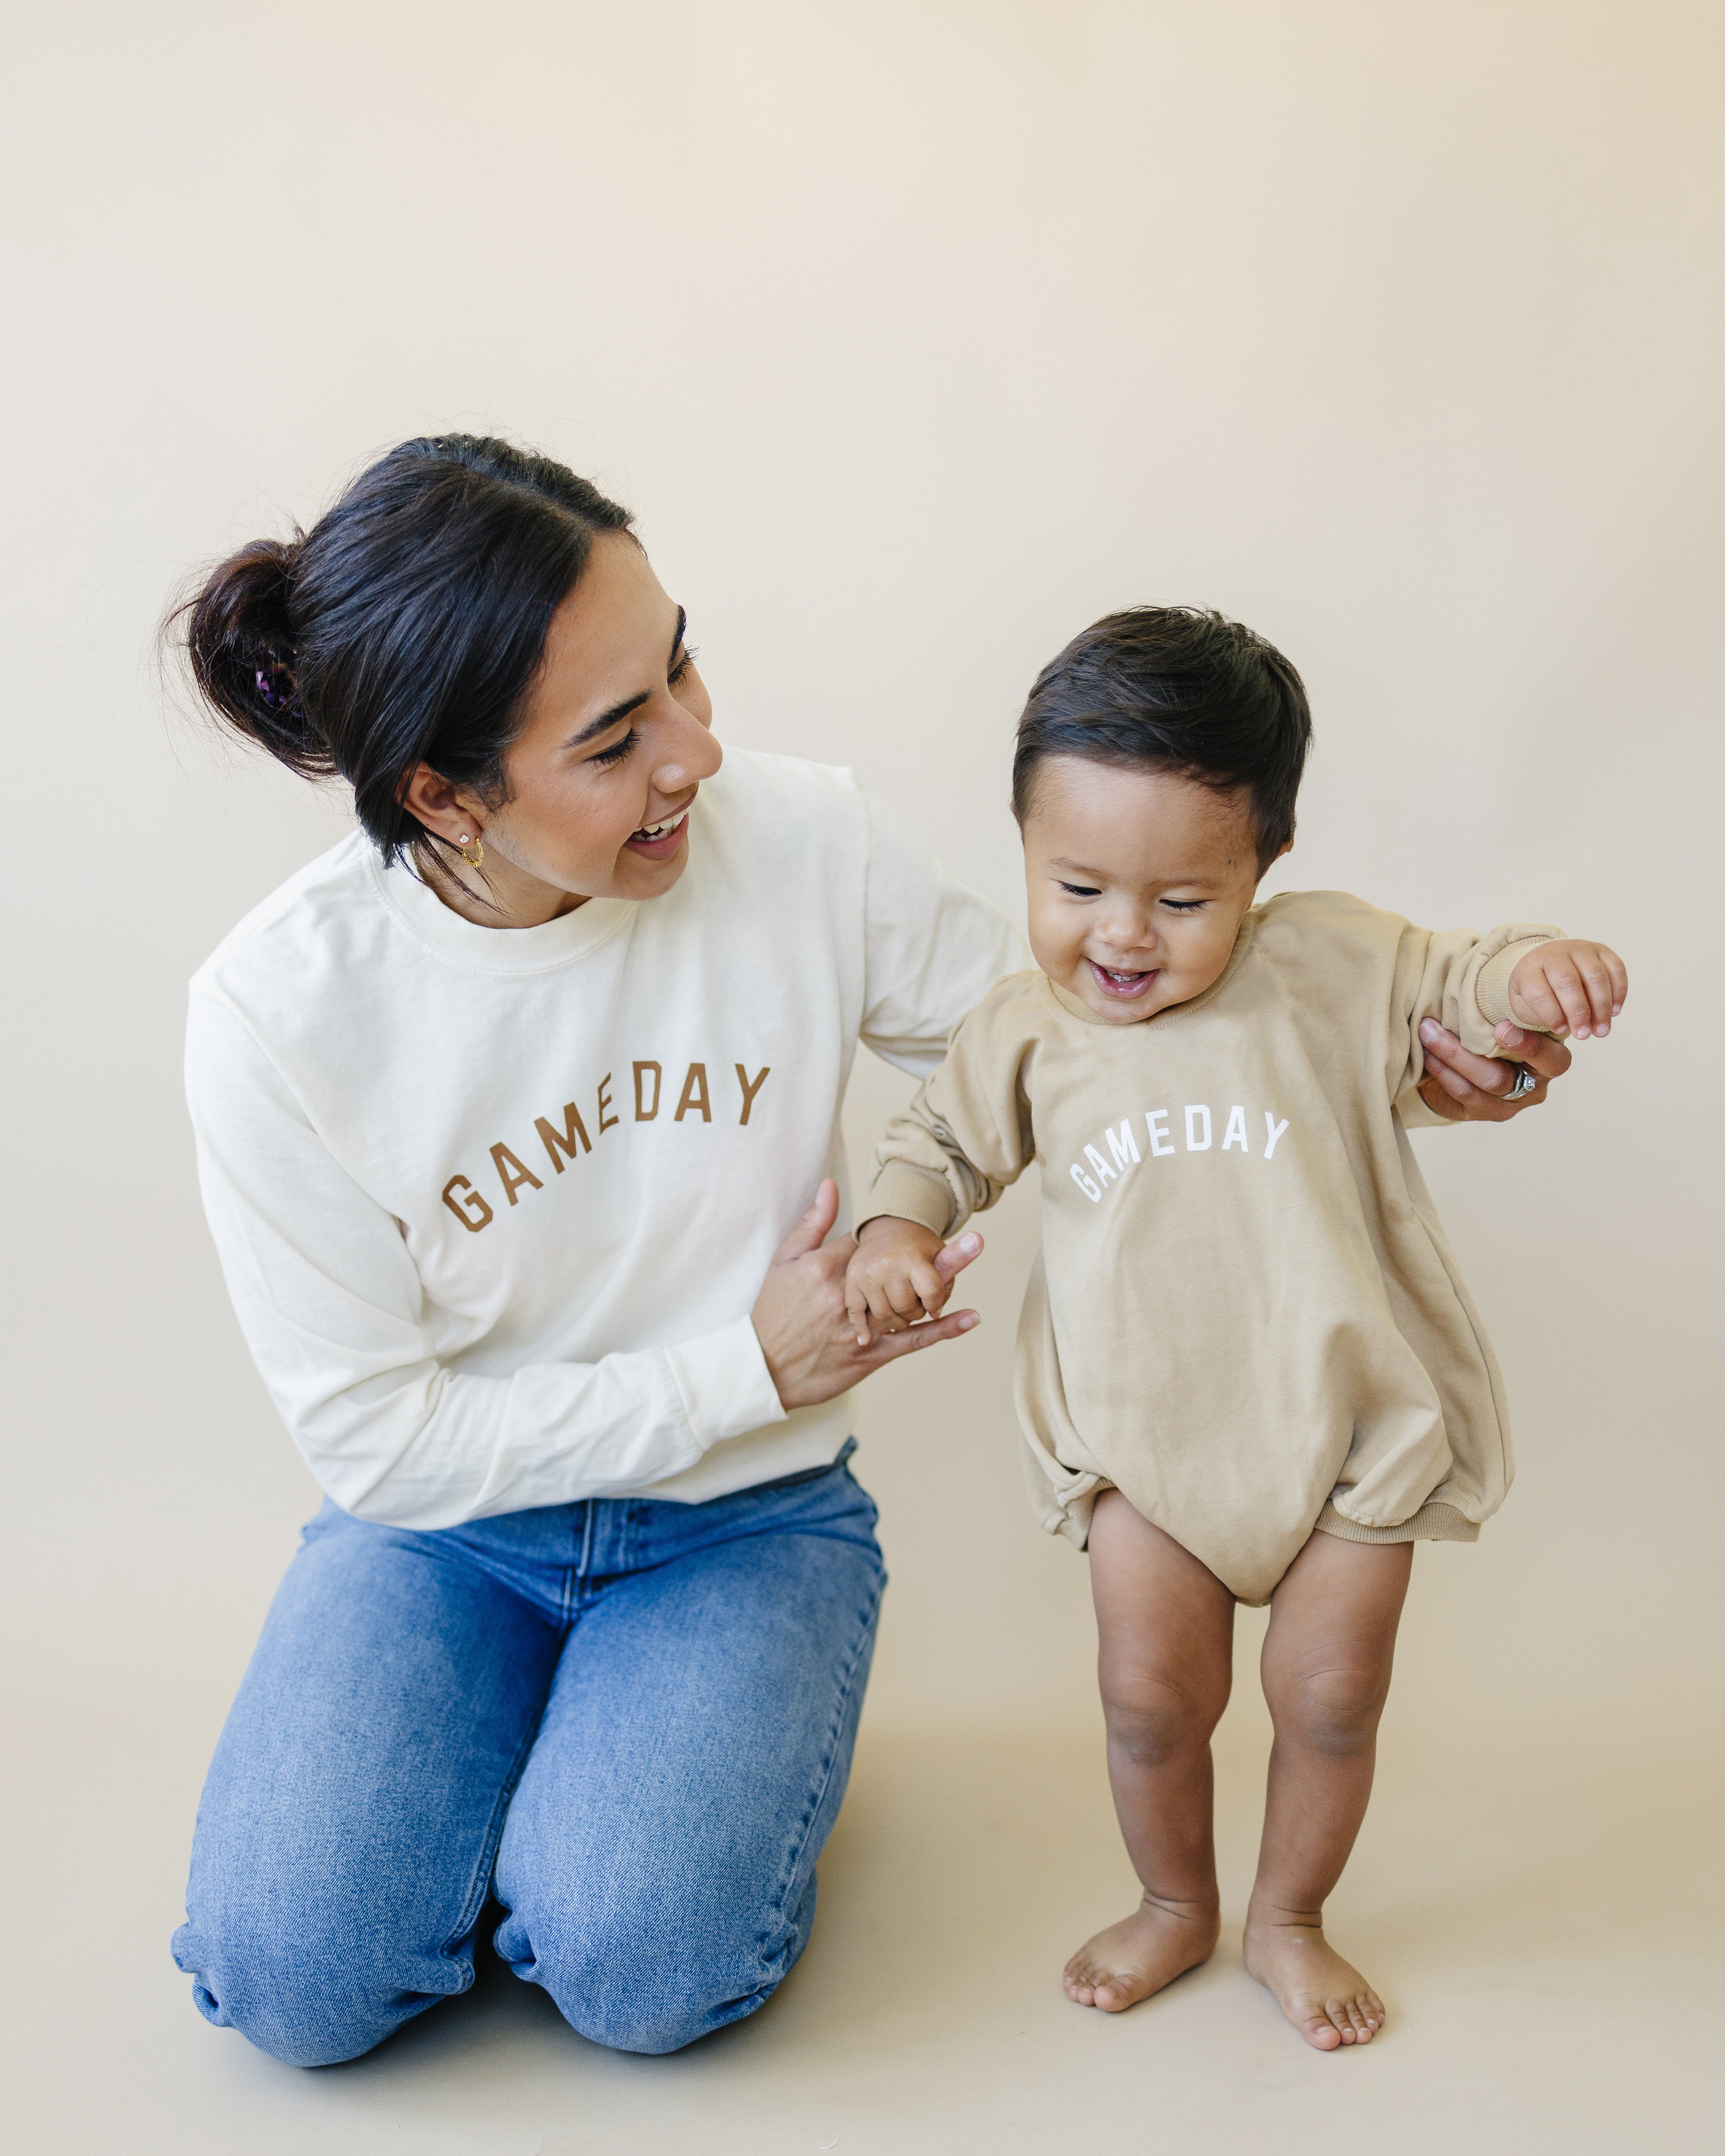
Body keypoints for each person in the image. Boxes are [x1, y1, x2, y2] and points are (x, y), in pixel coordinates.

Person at [168, 440, 1566, 2070]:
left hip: (742, 1525)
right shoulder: (278, 1013)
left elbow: (1084, 1034)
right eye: (617, 739)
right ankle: (542, 1768)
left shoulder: (800, 839)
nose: (697, 750)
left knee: (645, 1974)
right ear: (442, 795)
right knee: (295, 1983)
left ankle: (645, 1767)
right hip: (443, 1535)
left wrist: (1416, 1066)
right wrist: (743, 1364)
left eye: (679, 659)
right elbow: (374, 1440)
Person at [844, 606, 1622, 2052]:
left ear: (1262, 868)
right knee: (1149, 1704)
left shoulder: (1332, 966)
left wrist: (1536, 976)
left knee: (1330, 1700)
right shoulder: (1023, 1029)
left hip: (1347, 1433)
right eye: (1076, 884)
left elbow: (1465, 978)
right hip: (1145, 1445)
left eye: (1183, 901)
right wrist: (895, 1232)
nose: (1123, 935)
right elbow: (938, 1145)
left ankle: (1290, 1916)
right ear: (1021, 843)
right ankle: (1175, 1901)